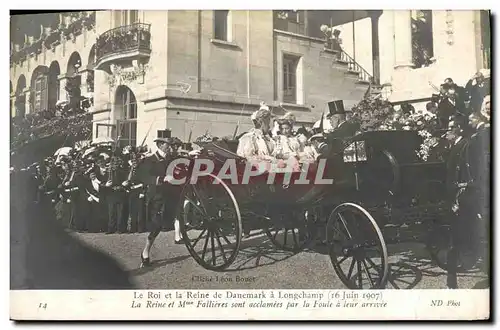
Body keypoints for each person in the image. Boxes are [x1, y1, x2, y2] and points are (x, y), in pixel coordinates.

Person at [138, 129, 200, 267]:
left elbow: (181, 160)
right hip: (157, 197)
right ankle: (146, 250)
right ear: (160, 145)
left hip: (172, 195)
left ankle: (179, 235)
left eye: (170, 145)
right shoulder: (149, 160)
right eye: (167, 145)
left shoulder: (171, 158)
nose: (170, 147)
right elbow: (142, 176)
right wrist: (161, 178)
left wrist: (190, 155)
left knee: (177, 216)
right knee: (157, 225)